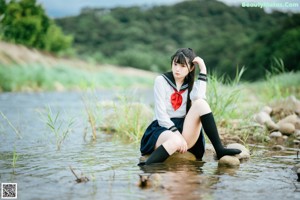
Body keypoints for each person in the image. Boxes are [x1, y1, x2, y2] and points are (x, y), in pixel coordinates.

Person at [139, 48, 241, 165]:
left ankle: (219, 149)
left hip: (185, 129)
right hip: (162, 129)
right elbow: (161, 116)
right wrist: (177, 135)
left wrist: (203, 70)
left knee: (201, 104)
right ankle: (146, 168)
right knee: (175, 141)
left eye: (183, 66)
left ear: (191, 68)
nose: (177, 69)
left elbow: (199, 97)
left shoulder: (190, 84)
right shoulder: (161, 81)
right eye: (175, 64)